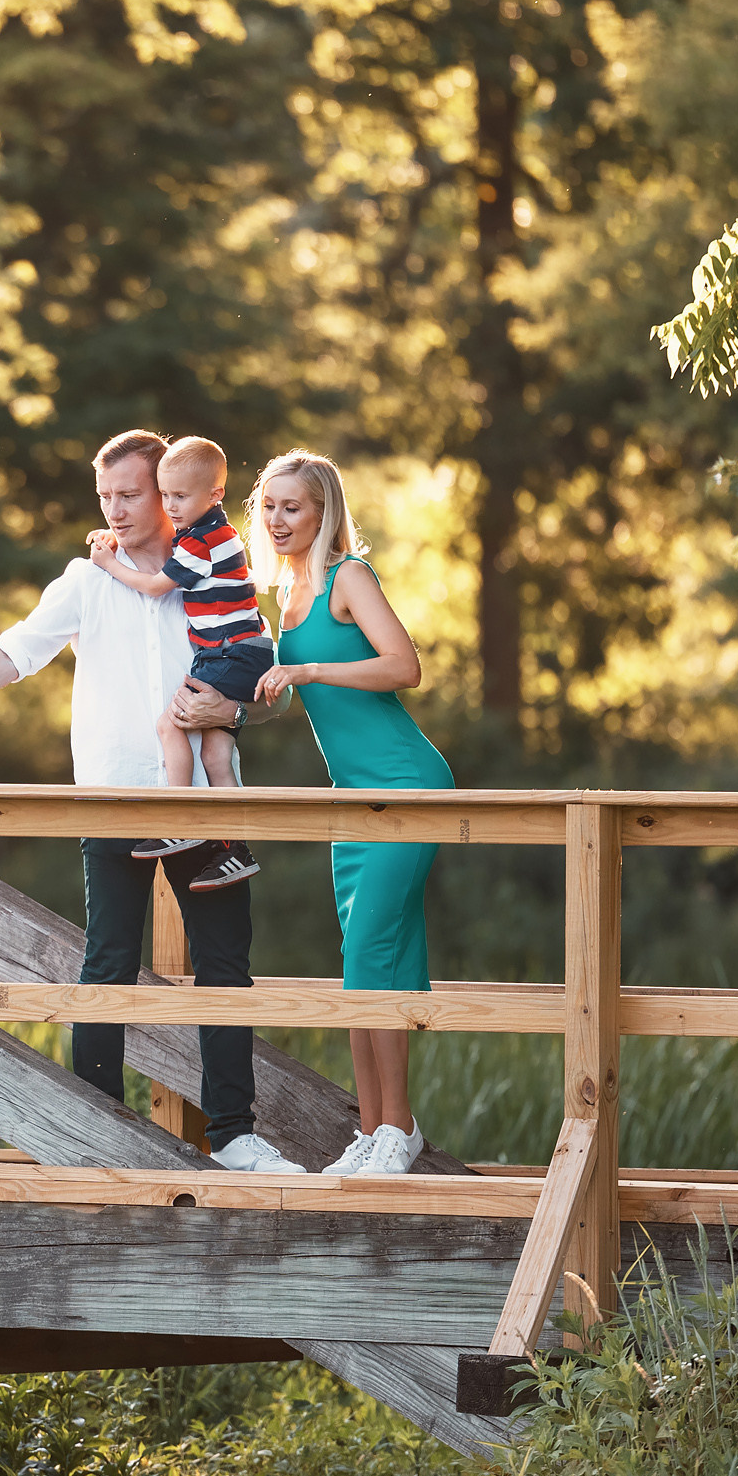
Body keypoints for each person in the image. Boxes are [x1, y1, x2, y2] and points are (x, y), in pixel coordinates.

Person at [0, 428, 306, 1175]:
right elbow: (13, 651)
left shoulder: (219, 569)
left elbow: (269, 684)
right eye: (106, 497)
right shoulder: (86, 579)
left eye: (130, 494)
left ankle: (233, 1135)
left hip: (199, 801)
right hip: (111, 797)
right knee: (109, 961)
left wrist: (228, 714)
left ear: (168, 494)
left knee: (226, 965)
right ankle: (96, 1129)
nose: (117, 509)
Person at [251, 449, 452, 1177]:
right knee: (367, 960)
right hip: (351, 799)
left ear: (322, 510)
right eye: (269, 506)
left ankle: (399, 1129)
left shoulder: (347, 578)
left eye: (292, 507)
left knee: (373, 950)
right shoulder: (289, 598)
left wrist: (307, 668)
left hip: (406, 781)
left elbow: (404, 666)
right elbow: (284, 700)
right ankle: (374, 1132)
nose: (277, 519)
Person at [84, 435, 272, 891]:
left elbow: (153, 586)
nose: (171, 506)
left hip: (228, 653)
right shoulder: (215, 534)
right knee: (215, 754)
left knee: (169, 726)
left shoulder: (201, 542)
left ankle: (179, 817)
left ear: (214, 495)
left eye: (178, 496)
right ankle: (236, 847)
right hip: (244, 652)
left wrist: (109, 563)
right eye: (165, 495)